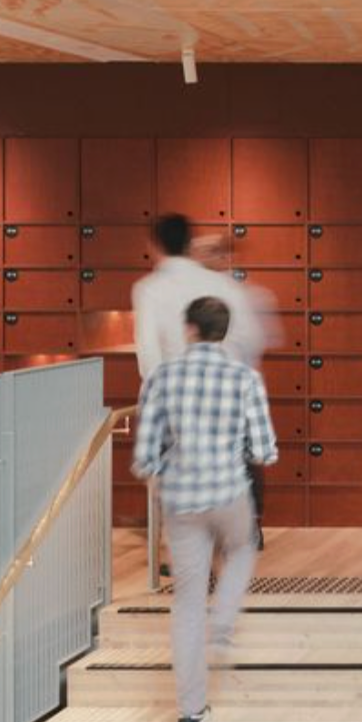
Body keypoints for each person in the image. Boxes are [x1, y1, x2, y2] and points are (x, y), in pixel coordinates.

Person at [129, 296, 278, 722]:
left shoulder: (161, 377)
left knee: (187, 603)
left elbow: (145, 455)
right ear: (223, 332)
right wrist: (243, 449)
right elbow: (264, 450)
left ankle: (190, 712)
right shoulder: (244, 378)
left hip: (181, 501)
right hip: (229, 491)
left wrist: (162, 467)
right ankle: (224, 622)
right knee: (243, 548)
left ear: (190, 328)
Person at [132, 213, 279, 550]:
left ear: (154, 246)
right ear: (189, 243)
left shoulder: (149, 289)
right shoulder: (225, 285)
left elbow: (149, 354)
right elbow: (251, 339)